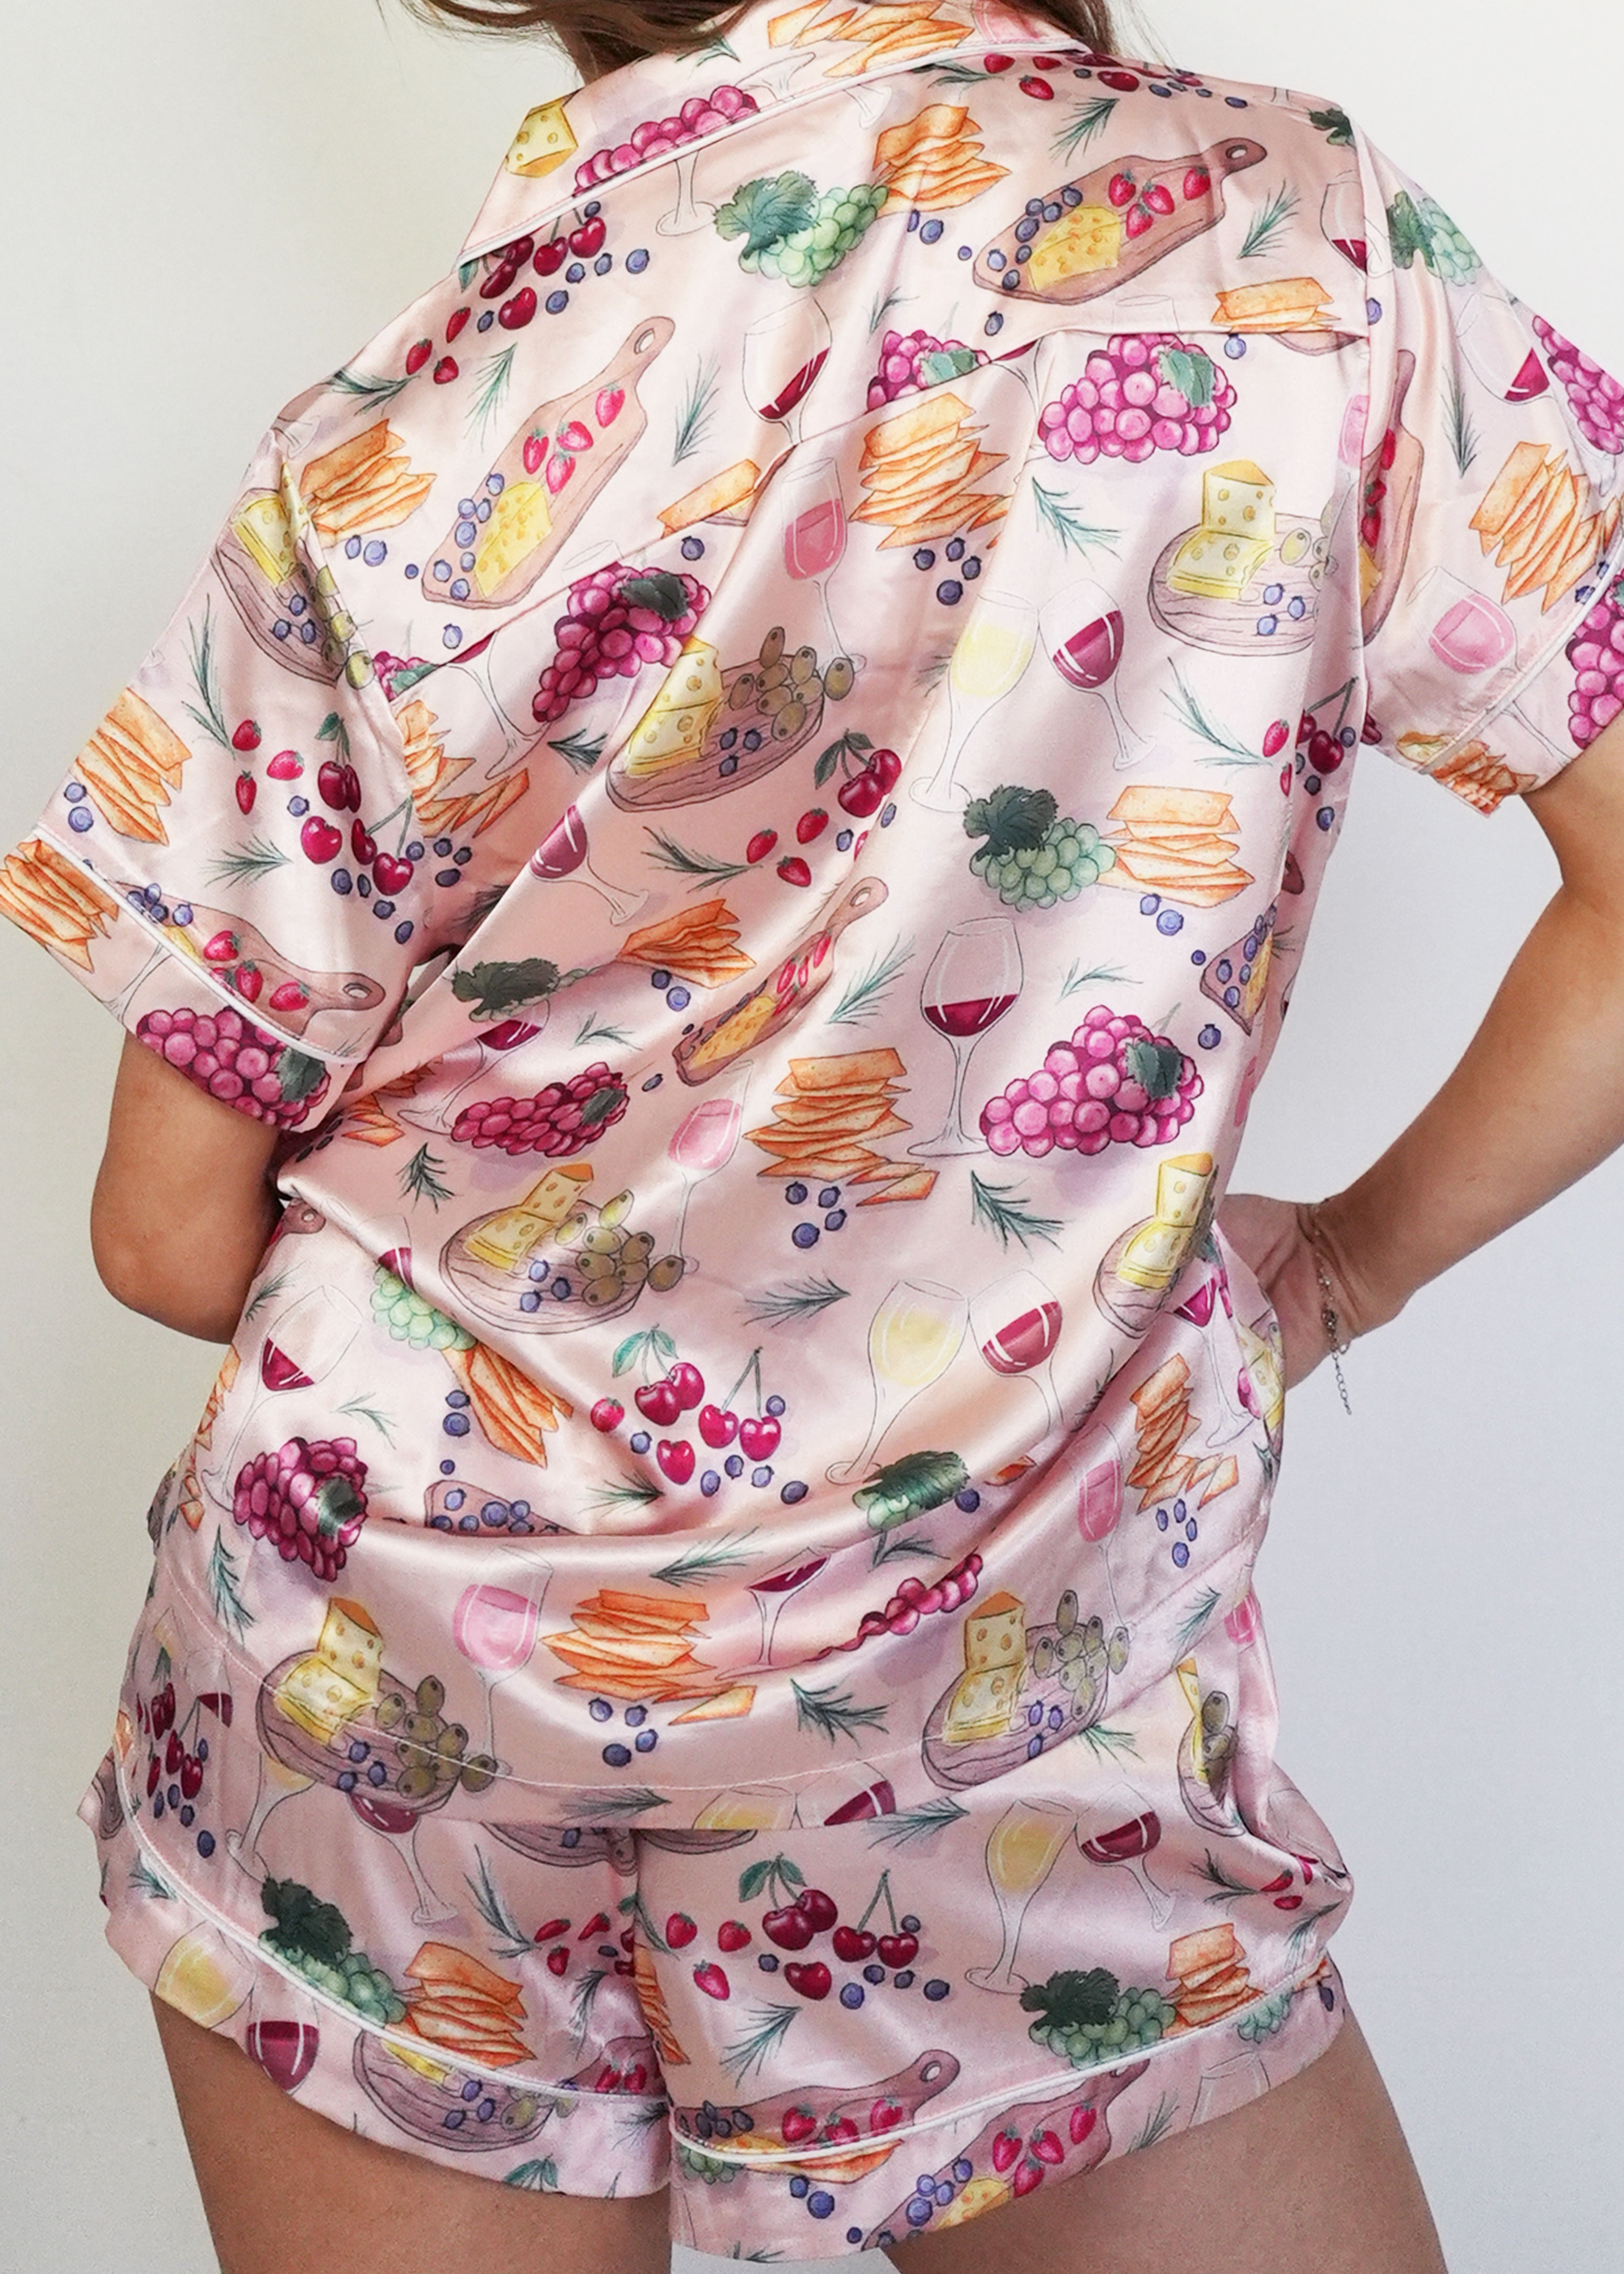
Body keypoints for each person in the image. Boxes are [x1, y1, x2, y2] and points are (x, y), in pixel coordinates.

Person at [6, 2, 1623, 2267]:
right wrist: (1343, 1265)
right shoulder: (1305, 247)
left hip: (394, 1671)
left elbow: (167, 1239)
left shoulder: (413, 424)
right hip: (1003, 1669)